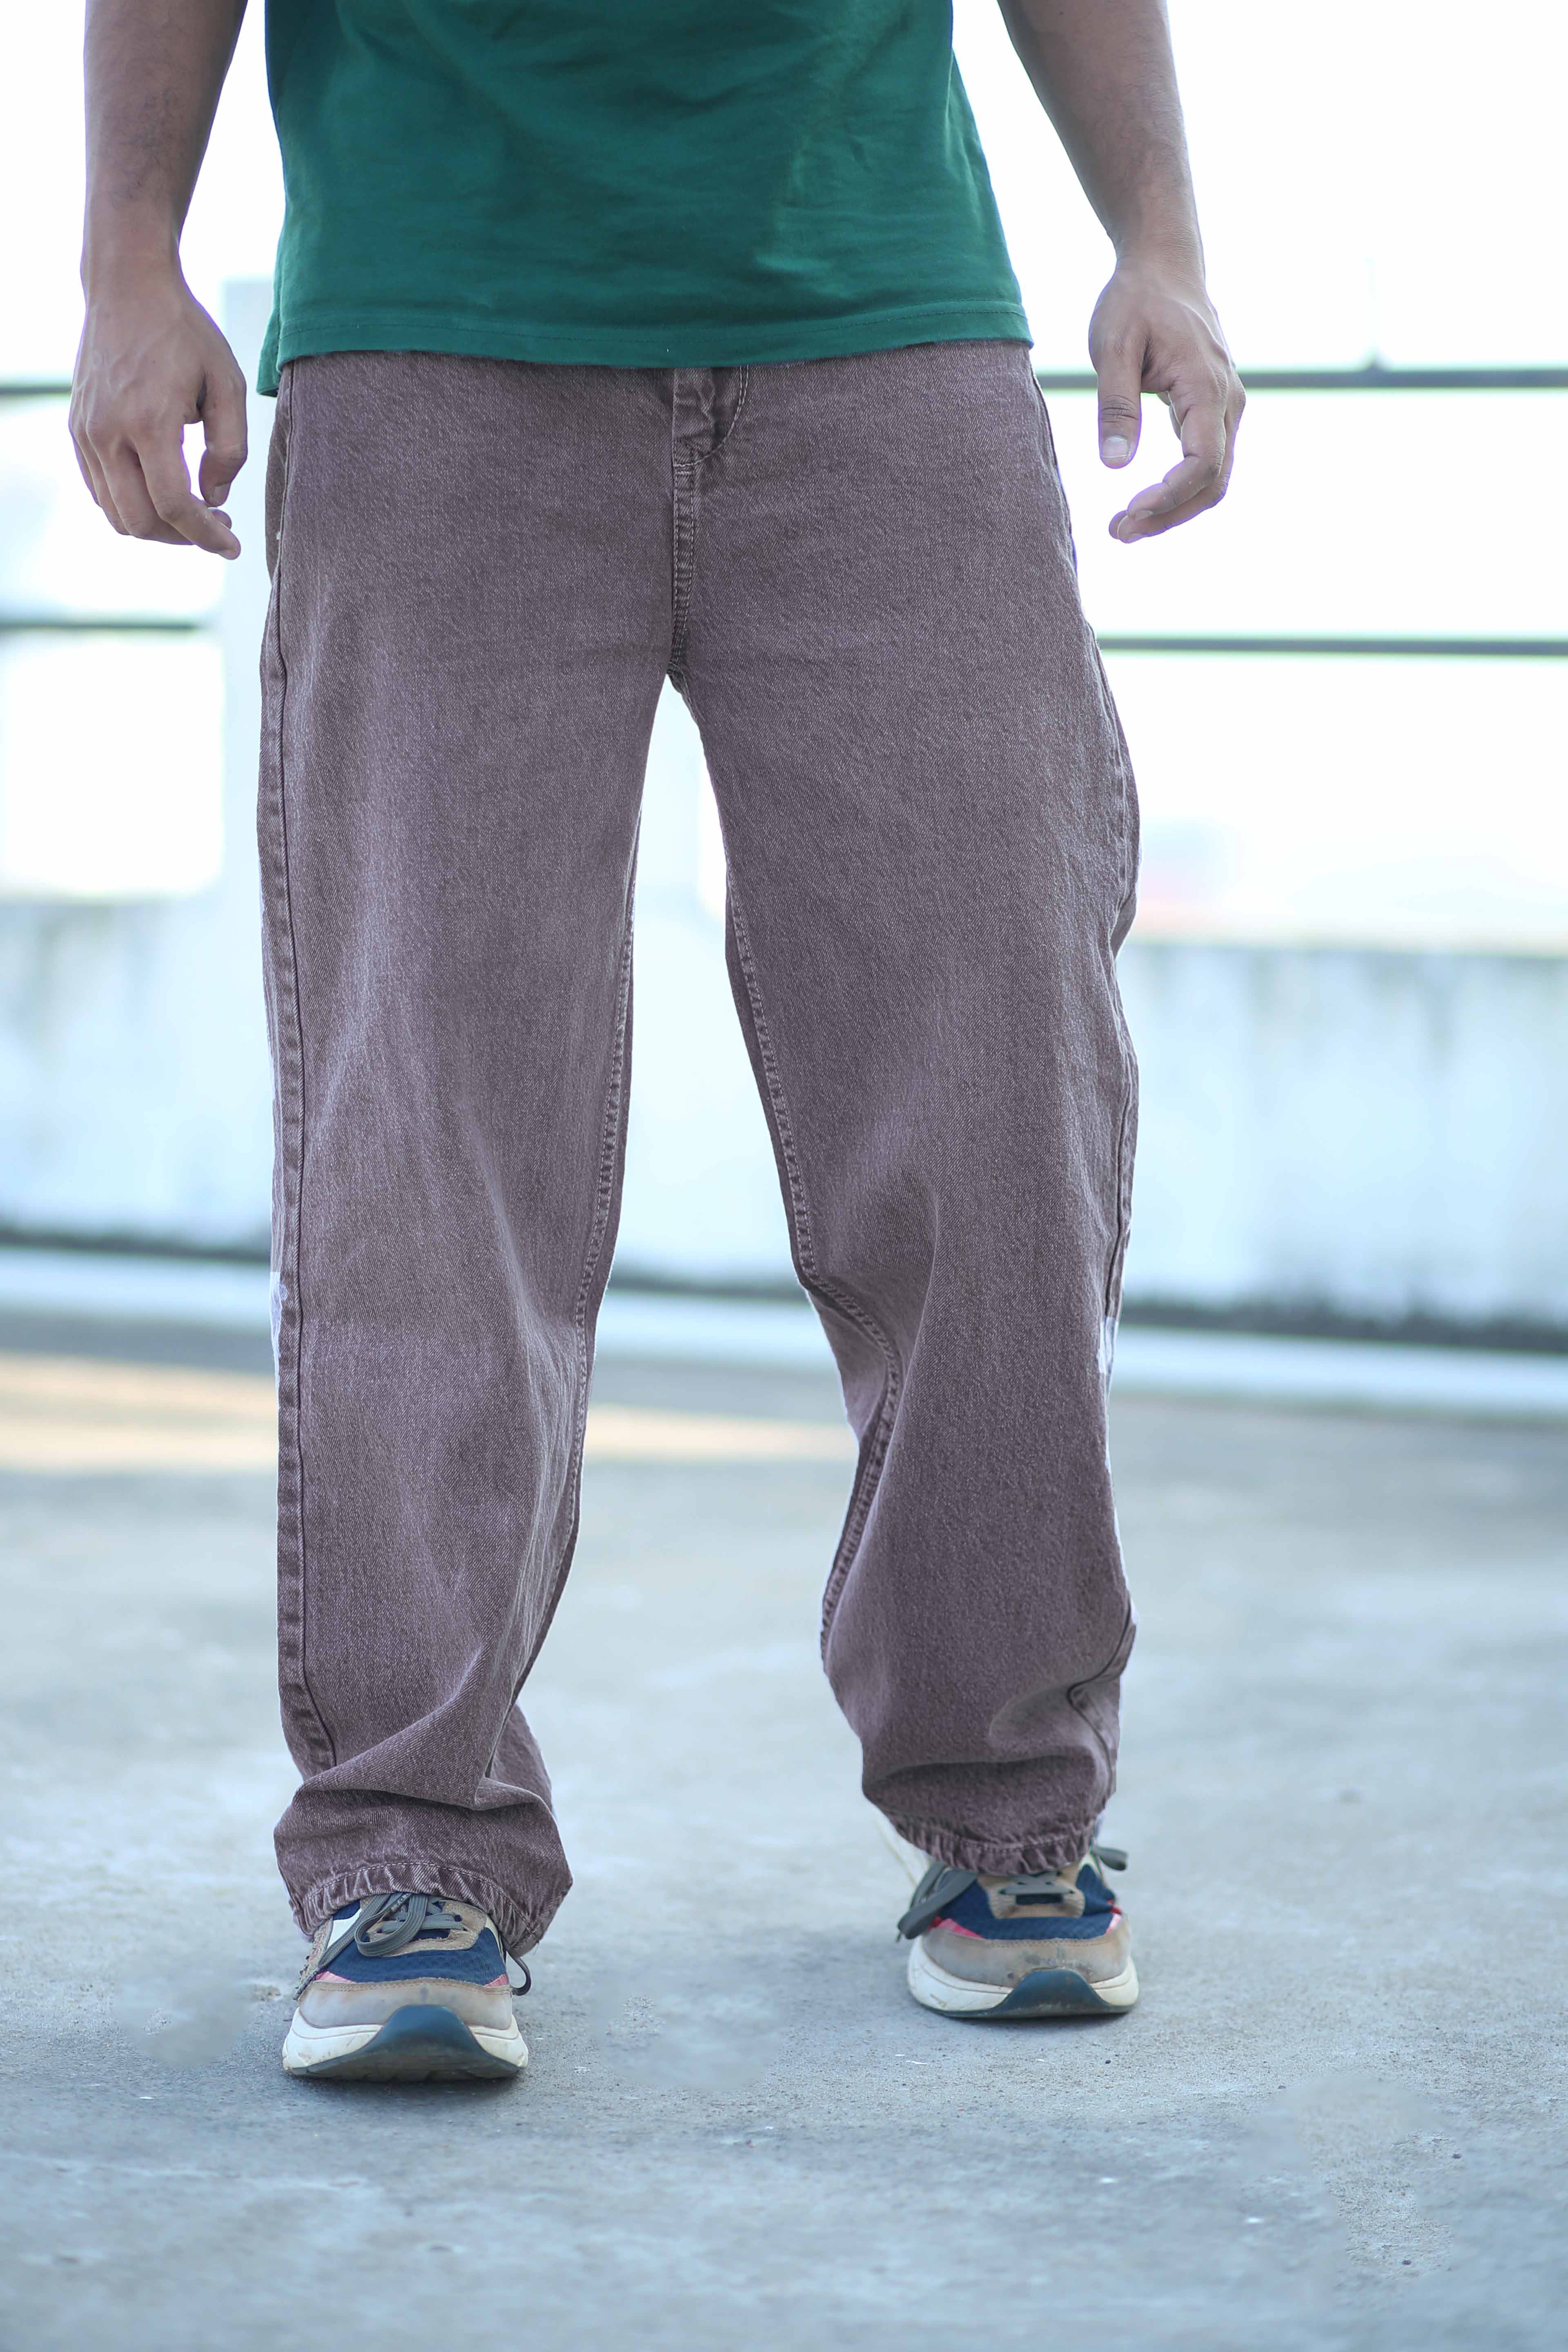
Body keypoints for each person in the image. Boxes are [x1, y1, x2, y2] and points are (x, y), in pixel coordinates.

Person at [72, 0, 1242, 2083]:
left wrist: (1162, 241)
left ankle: (1012, 1811)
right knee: (431, 1122)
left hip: (884, 321)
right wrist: (126, 261)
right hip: (438, 329)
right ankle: (409, 1850)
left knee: (1001, 1093)